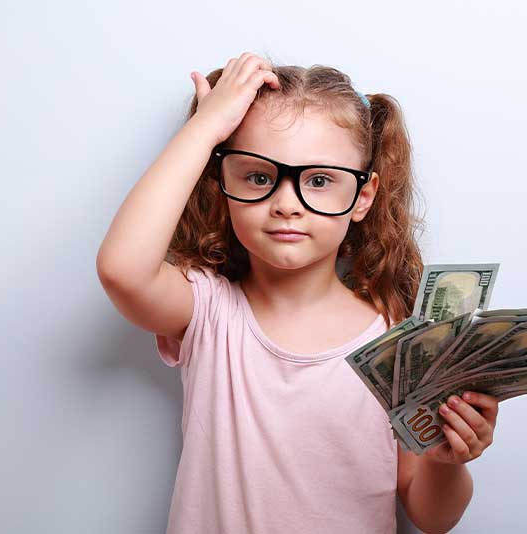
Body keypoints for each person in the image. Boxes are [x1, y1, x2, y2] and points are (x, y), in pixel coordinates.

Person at [96, 51, 500, 534]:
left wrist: (445, 461)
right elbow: (122, 269)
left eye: (320, 180)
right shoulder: (208, 310)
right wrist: (205, 129)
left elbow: (432, 517)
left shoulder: (400, 341)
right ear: (223, 180)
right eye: (260, 176)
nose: (286, 204)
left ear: (362, 198)